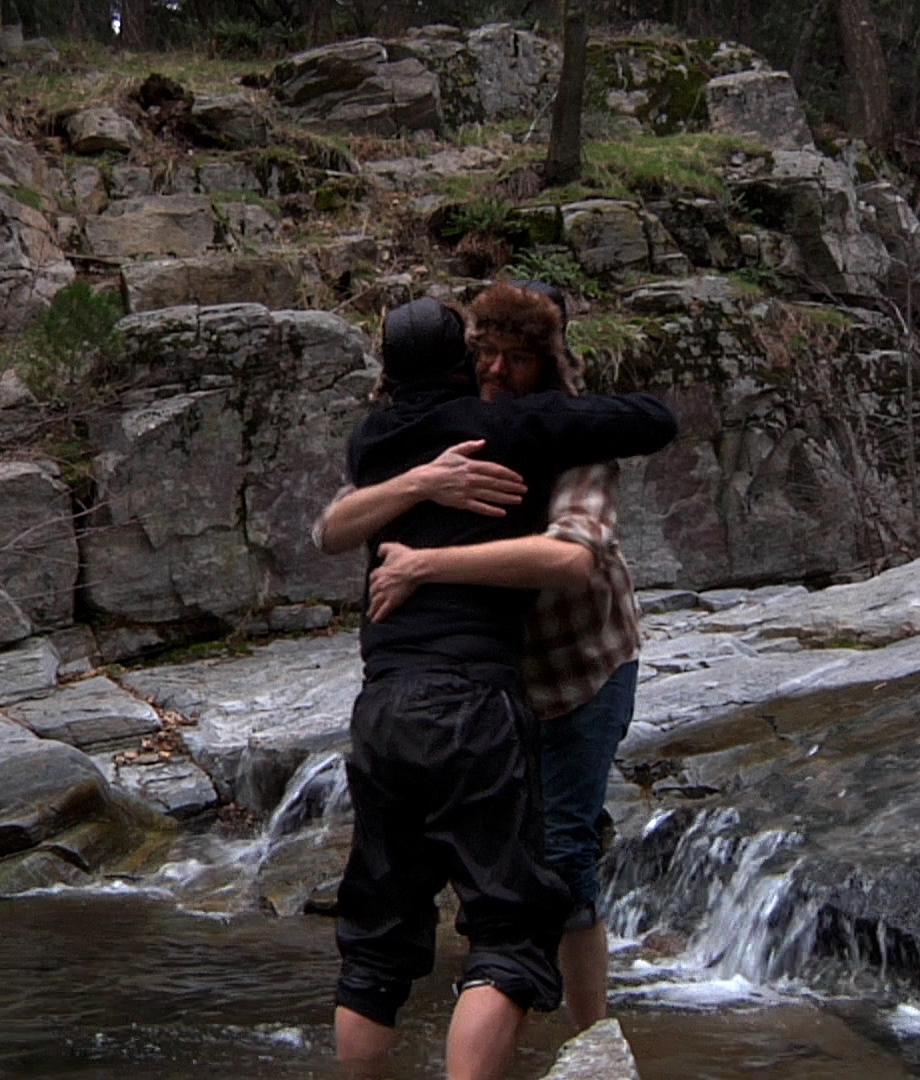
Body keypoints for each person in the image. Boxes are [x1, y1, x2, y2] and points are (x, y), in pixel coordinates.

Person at [328, 294, 677, 1080]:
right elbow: (332, 526)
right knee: (506, 915)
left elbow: (573, 558)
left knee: (560, 856)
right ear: (462, 360)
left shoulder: (553, 431)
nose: (495, 371)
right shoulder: (437, 440)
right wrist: (424, 480)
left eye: (513, 360)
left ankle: (593, 1040)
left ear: (544, 366)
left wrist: (422, 562)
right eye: (484, 355)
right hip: (484, 696)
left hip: (578, 671)